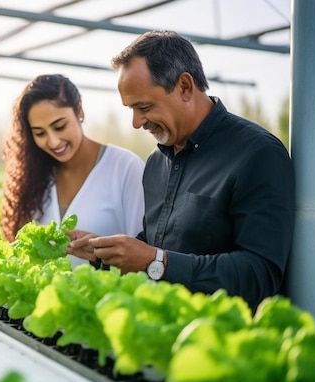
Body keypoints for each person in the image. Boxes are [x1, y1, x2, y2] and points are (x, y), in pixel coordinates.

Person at [66, 31, 296, 311]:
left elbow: (259, 274)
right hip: (163, 331)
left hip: (224, 343)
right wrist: (105, 252)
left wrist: (156, 261)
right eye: (131, 109)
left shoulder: (257, 153)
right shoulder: (155, 163)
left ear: (185, 87)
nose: (136, 122)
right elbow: (157, 244)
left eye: (145, 107)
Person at [0, 73, 146, 268]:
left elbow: (142, 254)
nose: (53, 141)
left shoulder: (125, 167)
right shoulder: (35, 175)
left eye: (60, 126)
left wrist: (102, 255)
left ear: (79, 110)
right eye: (40, 133)